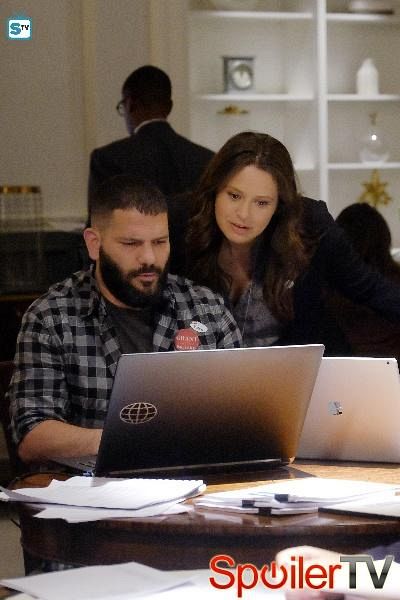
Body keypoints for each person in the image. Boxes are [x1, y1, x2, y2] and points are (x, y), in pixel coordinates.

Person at [8, 175, 241, 466]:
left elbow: (244, 414)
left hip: (199, 479)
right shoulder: (51, 317)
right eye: (131, 243)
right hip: (93, 485)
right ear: (94, 244)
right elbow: (32, 435)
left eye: (160, 242)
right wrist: (128, 441)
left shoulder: (206, 309)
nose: (149, 258)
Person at [184, 131, 400, 352]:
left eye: (262, 203)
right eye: (234, 196)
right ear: (215, 189)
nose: (244, 214)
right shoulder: (181, 222)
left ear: (279, 204)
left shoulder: (310, 226)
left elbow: (370, 289)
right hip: (207, 371)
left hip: (299, 369)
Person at [88, 65, 214, 208]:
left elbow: (100, 219)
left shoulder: (107, 159)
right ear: (169, 107)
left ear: (130, 104)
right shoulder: (207, 159)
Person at [325, 202, 400, 365]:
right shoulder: (394, 284)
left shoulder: (324, 288)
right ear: (384, 239)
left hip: (340, 370)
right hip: (393, 370)